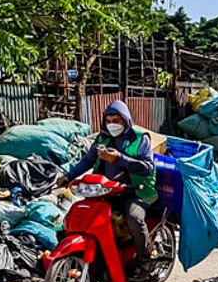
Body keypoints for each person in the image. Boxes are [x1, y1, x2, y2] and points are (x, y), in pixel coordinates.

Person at [59, 99, 158, 264]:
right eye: (108, 121)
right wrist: (68, 176)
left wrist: (119, 159)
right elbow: (87, 161)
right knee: (81, 217)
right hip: (106, 192)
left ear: (125, 120)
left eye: (116, 121)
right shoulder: (102, 139)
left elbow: (147, 167)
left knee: (134, 218)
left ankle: (144, 260)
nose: (112, 125)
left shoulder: (140, 139)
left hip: (135, 192)